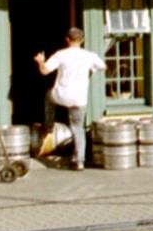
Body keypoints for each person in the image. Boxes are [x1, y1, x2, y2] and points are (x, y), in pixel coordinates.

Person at [33, 26, 106, 170]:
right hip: (79, 99)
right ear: (82, 40)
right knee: (78, 129)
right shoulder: (89, 56)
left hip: (61, 95)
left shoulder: (61, 55)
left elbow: (44, 71)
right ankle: (79, 161)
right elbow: (103, 66)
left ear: (67, 39)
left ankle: (48, 126)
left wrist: (41, 60)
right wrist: (91, 70)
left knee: (48, 96)